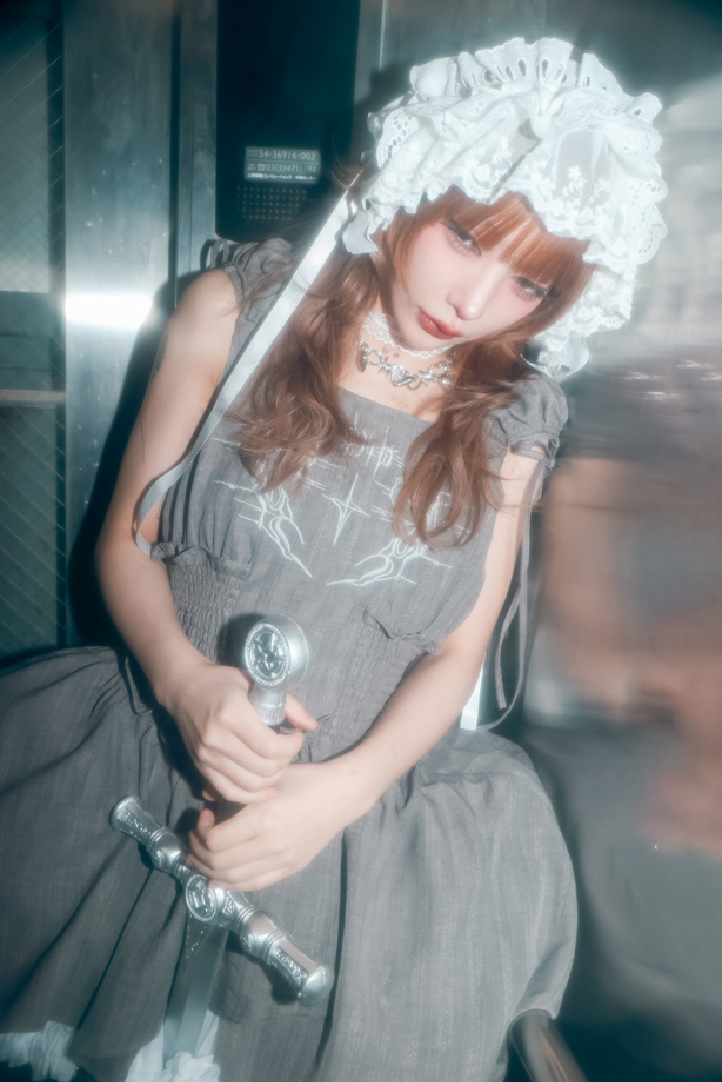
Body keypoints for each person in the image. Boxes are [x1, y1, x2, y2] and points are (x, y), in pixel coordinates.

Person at [0, 37, 666, 1082]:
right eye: (463, 234)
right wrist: (185, 685)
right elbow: (126, 541)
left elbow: (457, 650)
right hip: (132, 762)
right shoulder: (232, 311)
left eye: (528, 285)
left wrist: (331, 798)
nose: (473, 300)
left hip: (364, 824)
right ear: (413, 180)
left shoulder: (515, 418)